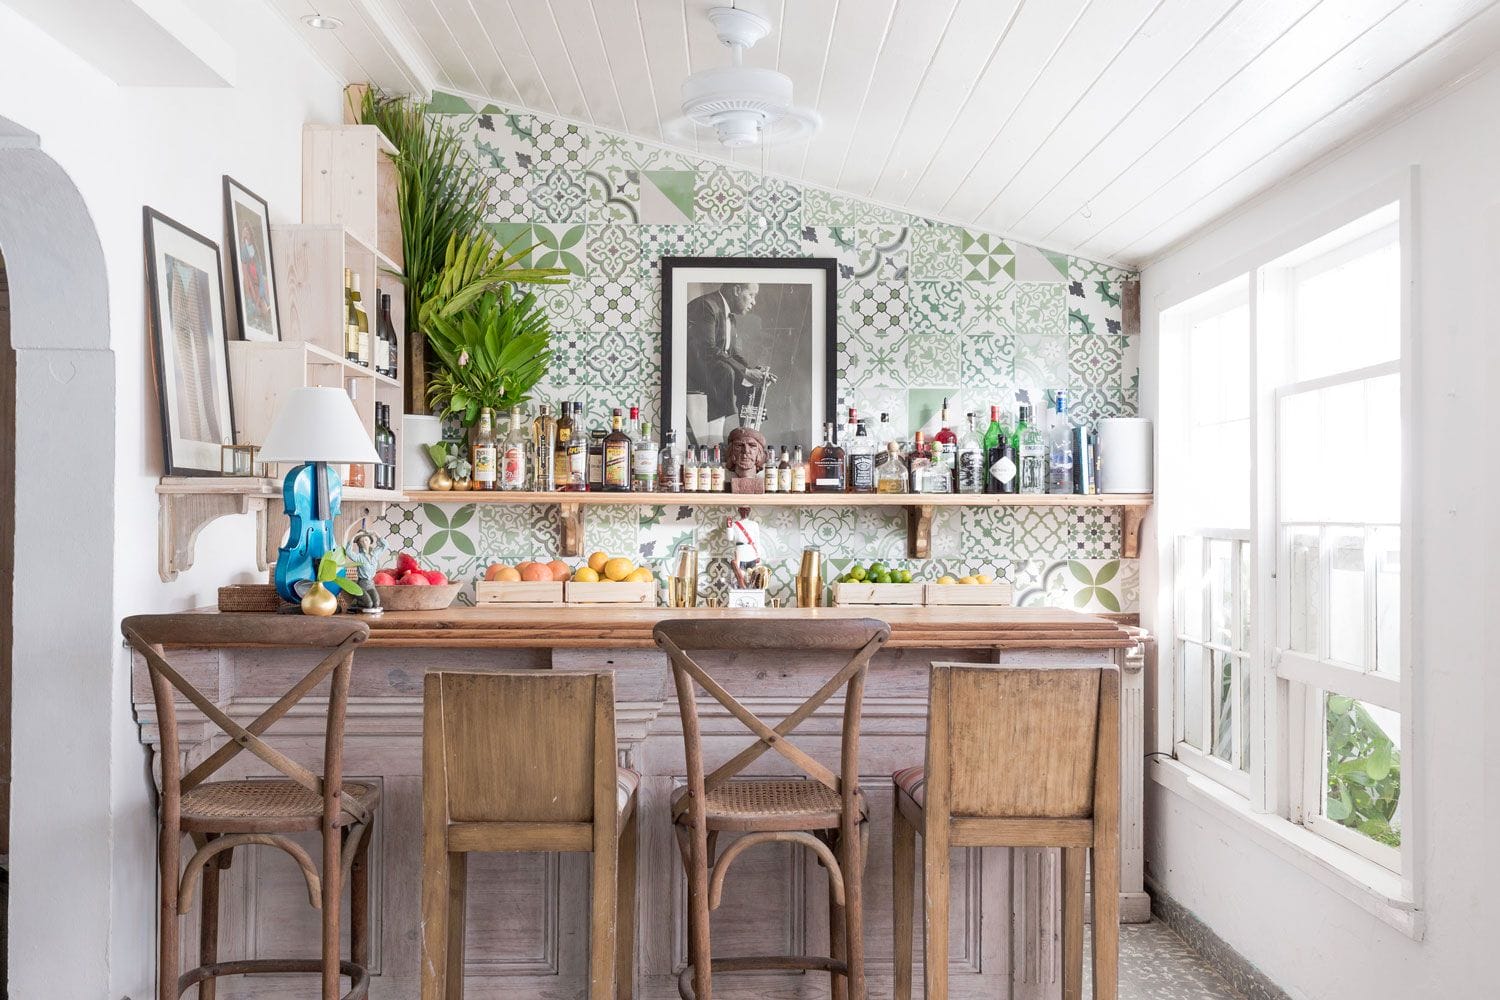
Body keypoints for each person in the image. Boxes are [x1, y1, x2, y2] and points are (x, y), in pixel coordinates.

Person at [684, 282, 775, 444]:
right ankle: (715, 441)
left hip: (713, 368)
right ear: (736, 290)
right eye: (751, 295)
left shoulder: (729, 317)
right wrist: (745, 372)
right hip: (692, 370)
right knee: (725, 371)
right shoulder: (706, 306)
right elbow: (707, 349)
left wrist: (754, 372)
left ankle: (749, 437)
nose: (754, 302)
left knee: (756, 383)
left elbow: (732, 354)